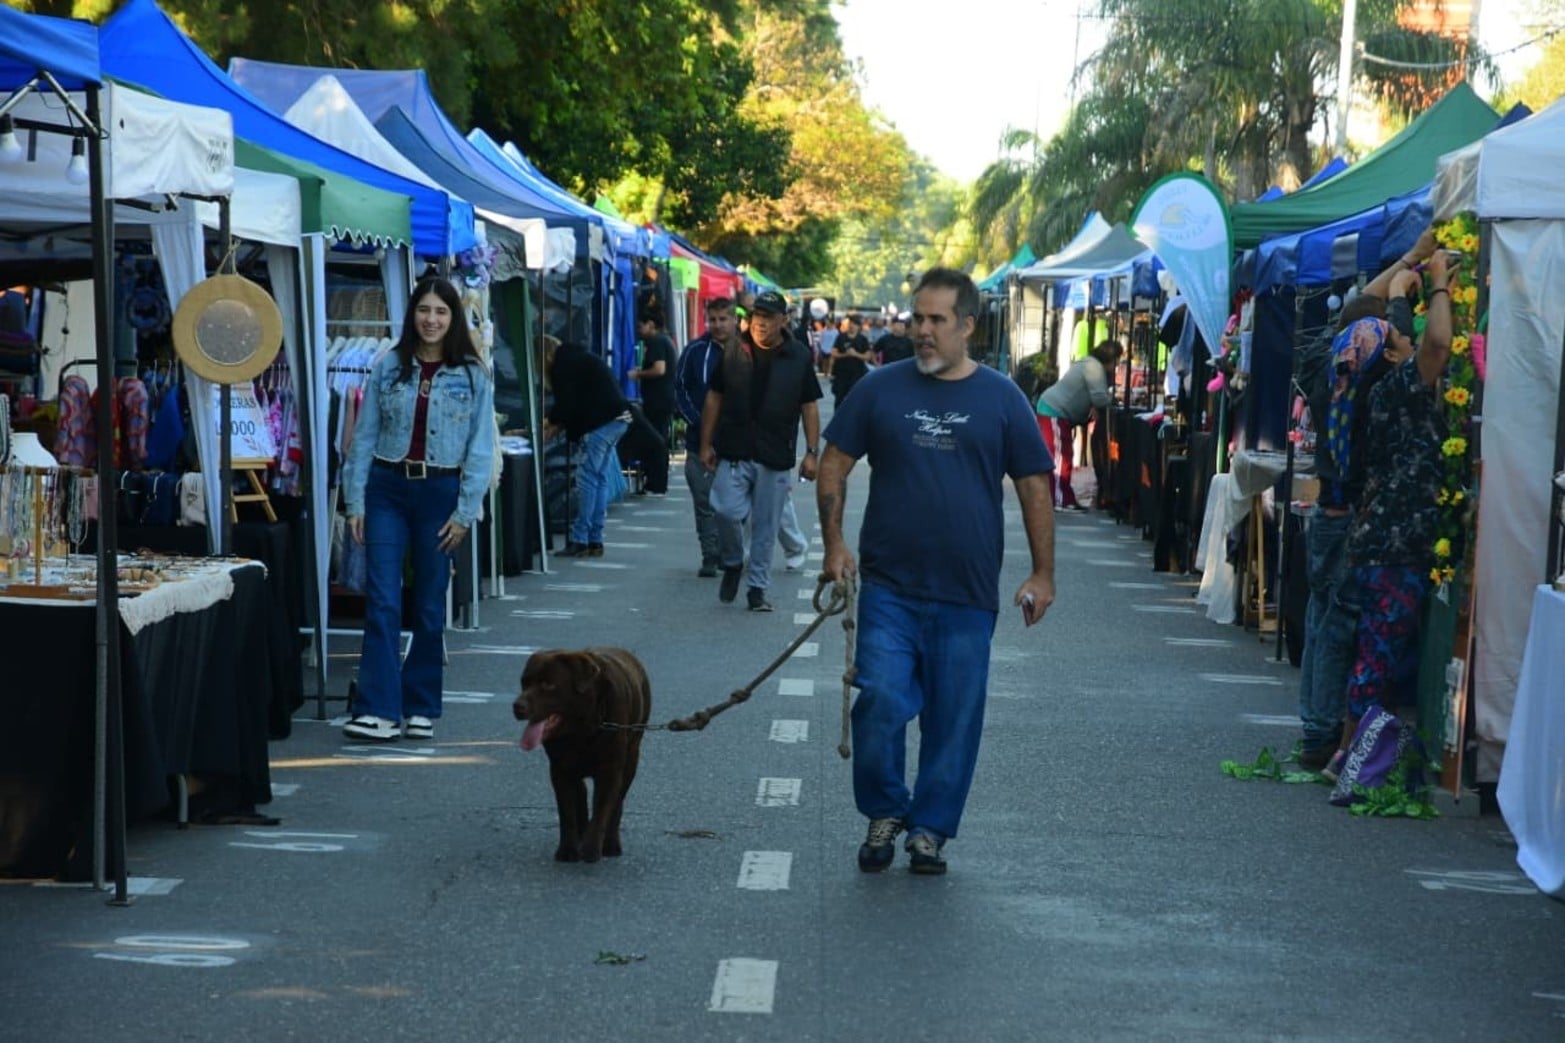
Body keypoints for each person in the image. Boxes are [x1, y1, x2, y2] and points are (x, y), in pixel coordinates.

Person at [817, 268, 1056, 875]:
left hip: (967, 593)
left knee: (954, 720)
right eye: (916, 319)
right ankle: (885, 810)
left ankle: (929, 830)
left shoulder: (1002, 398)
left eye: (935, 321)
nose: (921, 331)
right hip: (890, 589)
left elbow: (1033, 485)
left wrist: (1043, 573)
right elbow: (834, 464)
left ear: (967, 326)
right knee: (881, 700)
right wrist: (834, 546)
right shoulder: (879, 389)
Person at [1294, 229, 1437, 771]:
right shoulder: (1378, 378)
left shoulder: (1332, 362)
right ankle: (1324, 735)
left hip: (1325, 512)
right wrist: (1410, 287)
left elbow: (1356, 319)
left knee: (1320, 620)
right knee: (1338, 630)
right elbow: (1400, 337)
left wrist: (1410, 259)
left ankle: (1315, 726)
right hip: (1353, 515)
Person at [341, 276, 496, 743]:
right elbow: (363, 436)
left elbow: (480, 449)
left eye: (441, 312)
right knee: (383, 600)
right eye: (424, 310)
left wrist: (466, 511)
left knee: (428, 605)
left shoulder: (472, 374)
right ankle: (378, 709)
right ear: (412, 315)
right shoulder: (389, 365)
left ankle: (421, 706)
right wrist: (355, 499)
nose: (431, 320)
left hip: (441, 494)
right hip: (387, 489)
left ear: (454, 319)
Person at [1326, 249, 1455, 780]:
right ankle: (1354, 762)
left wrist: (1402, 294)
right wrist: (1441, 283)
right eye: (1401, 335)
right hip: (1395, 548)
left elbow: (1362, 316)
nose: (1410, 335)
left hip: (1376, 541)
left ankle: (1347, 752)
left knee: (1371, 655)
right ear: (1394, 355)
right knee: (1377, 659)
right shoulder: (1400, 388)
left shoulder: (1363, 390)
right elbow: (1441, 343)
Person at [700, 289, 822, 612]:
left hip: (775, 452)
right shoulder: (734, 349)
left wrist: (811, 451)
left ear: (783, 320)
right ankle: (732, 560)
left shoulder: (798, 357)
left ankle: (757, 589)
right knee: (724, 508)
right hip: (735, 447)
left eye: (769, 317)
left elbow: (809, 406)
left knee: (766, 526)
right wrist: (705, 443)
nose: (761, 323)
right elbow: (714, 396)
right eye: (757, 316)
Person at [543, 339, 631, 558]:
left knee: (587, 479)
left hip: (601, 422)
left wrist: (553, 422)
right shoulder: (580, 356)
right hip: (620, 418)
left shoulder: (562, 365)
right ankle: (595, 539)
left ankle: (581, 539)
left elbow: (566, 404)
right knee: (598, 478)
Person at [675, 297, 737, 577]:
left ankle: (732, 552)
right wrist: (698, 423)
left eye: (724, 319)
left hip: (736, 443)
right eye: (713, 319)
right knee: (704, 501)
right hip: (697, 441)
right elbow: (679, 389)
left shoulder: (747, 350)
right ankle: (710, 555)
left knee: (732, 504)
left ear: (734, 319)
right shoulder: (695, 351)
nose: (718, 325)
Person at [1035, 339, 1122, 511]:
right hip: (1055, 411)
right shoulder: (1094, 368)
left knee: (1064, 454)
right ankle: (1059, 499)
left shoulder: (1089, 363)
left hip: (1056, 411)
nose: (1117, 364)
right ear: (1110, 358)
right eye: (1117, 359)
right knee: (1059, 457)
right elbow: (1100, 398)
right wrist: (1113, 398)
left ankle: (1065, 497)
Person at [628, 308, 676, 496]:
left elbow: (659, 369)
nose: (639, 330)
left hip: (658, 399)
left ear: (651, 324)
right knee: (659, 438)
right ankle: (656, 481)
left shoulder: (656, 341)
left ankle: (656, 483)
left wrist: (638, 373)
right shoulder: (663, 341)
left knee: (656, 440)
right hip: (662, 398)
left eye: (641, 326)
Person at [828, 314, 873, 407]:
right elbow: (833, 353)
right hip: (841, 374)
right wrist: (845, 355)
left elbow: (868, 356)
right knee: (839, 399)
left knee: (854, 398)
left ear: (858, 326)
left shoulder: (863, 339)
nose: (851, 326)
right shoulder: (841, 337)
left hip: (857, 374)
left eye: (854, 324)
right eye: (850, 323)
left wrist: (855, 354)